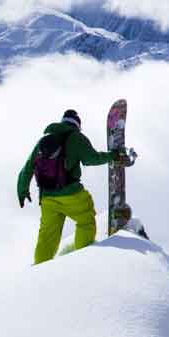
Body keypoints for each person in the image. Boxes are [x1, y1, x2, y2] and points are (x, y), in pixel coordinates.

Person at [17, 108, 132, 265]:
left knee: (47, 236)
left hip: (47, 198)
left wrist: (22, 190)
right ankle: (82, 261)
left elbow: (28, 167)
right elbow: (92, 159)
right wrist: (113, 155)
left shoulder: (45, 140)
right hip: (71, 194)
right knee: (86, 221)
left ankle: (39, 268)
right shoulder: (77, 138)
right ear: (77, 125)